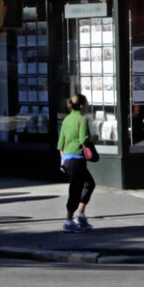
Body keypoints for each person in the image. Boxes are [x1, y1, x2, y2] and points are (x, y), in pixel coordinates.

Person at [58, 93, 95, 232]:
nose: (87, 105)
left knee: (88, 183)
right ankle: (69, 221)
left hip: (68, 159)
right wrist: (94, 139)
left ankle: (80, 215)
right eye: (86, 103)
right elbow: (83, 140)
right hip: (77, 159)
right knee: (76, 189)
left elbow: (60, 143)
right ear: (81, 106)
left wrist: (62, 160)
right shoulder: (82, 119)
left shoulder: (66, 119)